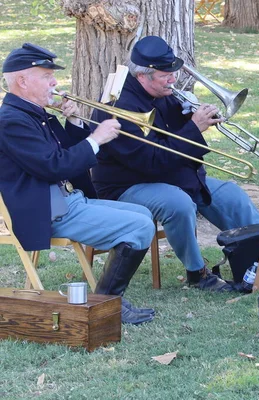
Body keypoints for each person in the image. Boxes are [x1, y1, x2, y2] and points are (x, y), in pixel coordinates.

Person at [92, 36, 259, 292]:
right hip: (128, 184)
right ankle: (197, 273)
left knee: (231, 194)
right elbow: (150, 162)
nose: (173, 79)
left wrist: (191, 115)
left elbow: (178, 145)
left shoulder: (162, 94)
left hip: (172, 175)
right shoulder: (118, 107)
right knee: (178, 203)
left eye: (173, 73)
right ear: (143, 76)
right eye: (166, 75)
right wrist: (193, 128)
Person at [0, 43, 156, 324]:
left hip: (66, 200)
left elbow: (65, 154)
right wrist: (96, 139)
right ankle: (109, 303)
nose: (54, 82)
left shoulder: (34, 114)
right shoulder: (12, 121)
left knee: (143, 215)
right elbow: (54, 165)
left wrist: (72, 119)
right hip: (45, 211)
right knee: (140, 226)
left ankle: (107, 298)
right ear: (22, 81)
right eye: (47, 75)